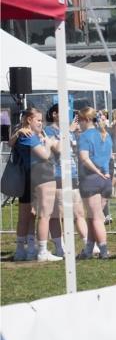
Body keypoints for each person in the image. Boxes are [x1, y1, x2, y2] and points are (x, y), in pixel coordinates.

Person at [11, 107, 62, 262]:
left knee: (27, 215)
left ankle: (24, 250)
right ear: (29, 120)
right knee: (44, 215)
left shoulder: (24, 134)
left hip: (27, 176)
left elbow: (10, 143)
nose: (41, 123)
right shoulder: (29, 135)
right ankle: (42, 251)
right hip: (42, 174)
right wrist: (48, 143)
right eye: (38, 120)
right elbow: (45, 155)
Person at [43, 104, 88, 257]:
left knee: (78, 212)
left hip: (72, 173)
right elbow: (58, 149)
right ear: (54, 114)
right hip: (57, 174)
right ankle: (59, 247)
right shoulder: (49, 130)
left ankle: (89, 245)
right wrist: (67, 131)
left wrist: (79, 134)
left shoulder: (70, 130)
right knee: (58, 214)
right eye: (63, 112)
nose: (67, 116)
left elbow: (76, 150)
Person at [76, 107, 114, 259]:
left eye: (79, 120)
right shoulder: (105, 135)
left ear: (86, 120)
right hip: (106, 180)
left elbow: (84, 158)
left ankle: (104, 251)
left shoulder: (84, 136)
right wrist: (105, 172)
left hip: (91, 179)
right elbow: (109, 156)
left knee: (96, 218)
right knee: (92, 217)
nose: (78, 123)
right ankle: (88, 250)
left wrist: (97, 171)